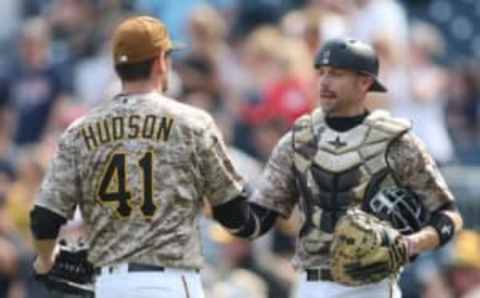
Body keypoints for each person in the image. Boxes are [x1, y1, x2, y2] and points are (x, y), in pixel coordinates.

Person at [212, 38, 463, 298]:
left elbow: (448, 215)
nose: (325, 81)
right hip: (311, 284)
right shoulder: (297, 142)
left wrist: (412, 243)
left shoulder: (397, 143)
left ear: (364, 82)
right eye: (322, 72)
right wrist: (218, 199)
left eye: (337, 74)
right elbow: (256, 222)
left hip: (371, 287)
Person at [30, 16, 245, 298]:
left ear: (118, 67)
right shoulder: (193, 123)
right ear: (160, 62)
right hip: (171, 282)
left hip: (110, 285)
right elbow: (235, 213)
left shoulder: (80, 130)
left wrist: (47, 259)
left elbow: (45, 219)